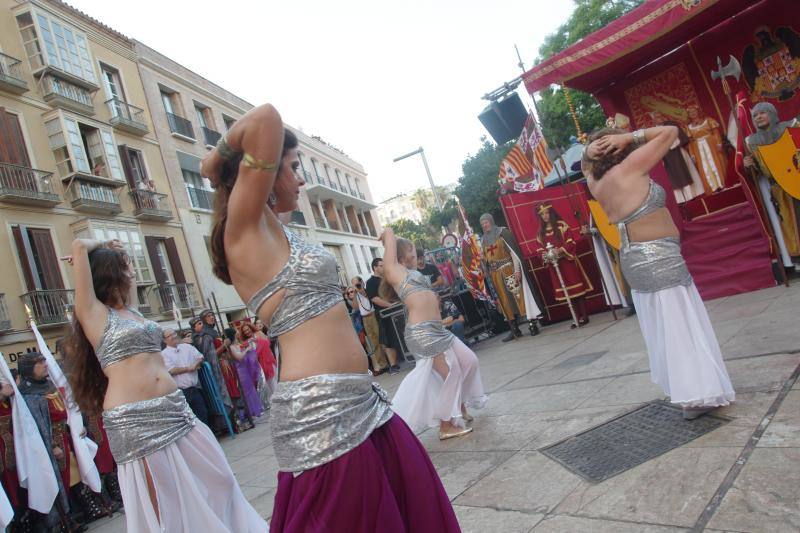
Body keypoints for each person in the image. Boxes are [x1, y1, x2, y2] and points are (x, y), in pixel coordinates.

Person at [202, 103, 459, 532]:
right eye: (293, 167)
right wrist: (216, 160)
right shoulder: (244, 233)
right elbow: (266, 118)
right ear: (264, 174)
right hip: (321, 415)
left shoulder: (281, 231)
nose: (301, 178)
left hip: (363, 399)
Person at [61, 239, 265, 532]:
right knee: (164, 503)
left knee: (220, 478)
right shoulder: (95, 314)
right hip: (135, 418)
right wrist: (103, 243)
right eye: (127, 264)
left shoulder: (134, 312)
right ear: (111, 271)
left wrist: (117, 252)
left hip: (174, 408)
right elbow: (79, 245)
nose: (133, 269)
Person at [582, 125, 735, 419]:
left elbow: (585, 166)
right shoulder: (631, 166)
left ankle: (689, 390)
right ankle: (695, 397)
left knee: (665, 328)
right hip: (658, 259)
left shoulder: (594, 182)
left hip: (634, 260)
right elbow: (670, 132)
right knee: (679, 326)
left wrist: (589, 151)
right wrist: (629, 137)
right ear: (616, 146)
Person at [380, 229, 486, 440]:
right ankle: (446, 425)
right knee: (452, 372)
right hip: (423, 332)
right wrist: (389, 235)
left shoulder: (414, 272)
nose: (415, 252)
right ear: (403, 254)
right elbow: (390, 256)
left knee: (469, 361)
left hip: (437, 329)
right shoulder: (396, 273)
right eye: (411, 249)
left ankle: (459, 404)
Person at [17, 352, 72, 532]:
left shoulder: (47, 385)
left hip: (62, 437)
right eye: (39, 363)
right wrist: (53, 445)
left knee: (67, 480)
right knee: (51, 483)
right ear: (29, 370)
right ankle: (57, 524)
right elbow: (38, 426)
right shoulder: (28, 395)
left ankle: (68, 520)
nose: (45, 365)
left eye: (44, 361)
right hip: (46, 447)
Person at [744, 101, 800, 261]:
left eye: (762, 113)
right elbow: (758, 173)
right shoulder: (752, 141)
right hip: (778, 188)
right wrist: (749, 166)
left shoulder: (789, 127)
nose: (758, 117)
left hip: (797, 179)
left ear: (772, 113)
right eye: (755, 115)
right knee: (791, 226)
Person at [479, 213, 542, 341]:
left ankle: (532, 324)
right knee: (505, 301)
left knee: (519, 296)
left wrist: (517, 270)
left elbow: (514, 253)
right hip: (496, 275)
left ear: (491, 221)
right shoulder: (483, 240)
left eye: (486, 222)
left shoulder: (503, 233)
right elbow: (486, 259)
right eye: (482, 224)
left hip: (509, 270)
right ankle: (514, 329)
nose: (484, 225)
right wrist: (482, 259)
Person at [534, 203, 592, 326]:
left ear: (551, 213)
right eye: (542, 214)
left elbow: (570, 242)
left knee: (576, 289)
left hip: (567, 261)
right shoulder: (540, 233)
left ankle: (584, 316)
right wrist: (547, 255)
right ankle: (576, 318)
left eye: (547, 213)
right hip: (555, 265)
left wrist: (559, 250)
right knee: (566, 293)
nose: (545, 216)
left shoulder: (561, 226)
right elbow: (539, 250)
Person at [191, 314, 233, 433]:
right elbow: (209, 355)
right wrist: (224, 345)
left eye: (212, 315)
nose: (212, 317)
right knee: (219, 396)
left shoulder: (209, 333)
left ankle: (231, 421)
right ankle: (226, 424)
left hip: (221, 366)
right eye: (199, 323)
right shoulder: (202, 337)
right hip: (214, 370)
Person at [160, 328, 210, 426]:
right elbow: (171, 370)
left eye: (174, 333)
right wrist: (188, 368)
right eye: (170, 335)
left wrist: (195, 364)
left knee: (203, 414)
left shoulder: (186, 347)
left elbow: (200, 357)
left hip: (194, 388)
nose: (174, 336)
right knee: (188, 419)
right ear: (165, 340)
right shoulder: (164, 354)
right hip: (180, 392)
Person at [366, 258, 401, 374]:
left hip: (397, 310)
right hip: (384, 315)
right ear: (375, 268)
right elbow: (374, 298)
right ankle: (393, 365)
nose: (384, 267)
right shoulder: (371, 282)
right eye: (381, 266)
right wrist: (390, 305)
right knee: (388, 340)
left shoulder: (388, 279)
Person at [350, 276, 389, 374]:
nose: (356, 286)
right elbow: (355, 307)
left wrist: (361, 290)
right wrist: (355, 294)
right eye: (354, 284)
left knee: (380, 340)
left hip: (373, 316)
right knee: (374, 342)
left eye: (357, 283)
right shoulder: (356, 294)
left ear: (362, 282)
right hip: (365, 319)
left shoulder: (367, 290)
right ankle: (382, 364)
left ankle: (388, 361)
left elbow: (369, 298)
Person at [685, 105, 726, 194]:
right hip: (698, 149)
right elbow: (690, 142)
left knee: (715, 162)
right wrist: (692, 154)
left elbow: (716, 133)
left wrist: (719, 143)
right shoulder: (689, 127)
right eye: (690, 112)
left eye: (694, 111)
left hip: (711, 145)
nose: (692, 113)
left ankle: (721, 183)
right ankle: (712, 187)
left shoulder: (708, 120)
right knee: (705, 166)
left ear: (698, 111)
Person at [228, 323, 264, 419]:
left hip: (245, 370)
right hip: (240, 372)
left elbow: (244, 347)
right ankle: (250, 413)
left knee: (251, 390)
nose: (238, 333)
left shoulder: (237, 345)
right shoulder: (231, 347)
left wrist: (249, 343)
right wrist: (246, 349)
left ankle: (256, 410)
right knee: (247, 392)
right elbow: (239, 357)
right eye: (236, 333)